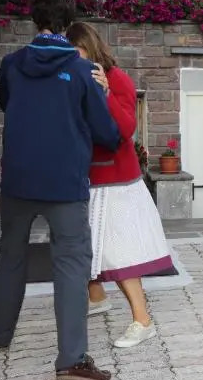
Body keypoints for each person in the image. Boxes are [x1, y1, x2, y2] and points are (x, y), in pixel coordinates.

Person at [0, 0, 121, 380]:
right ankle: (71, 360)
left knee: (11, 253)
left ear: (34, 19)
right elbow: (108, 133)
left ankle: (0, 334)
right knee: (71, 263)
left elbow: (6, 103)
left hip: (18, 178)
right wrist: (102, 94)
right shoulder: (82, 71)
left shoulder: (12, 64)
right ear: (68, 21)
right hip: (65, 181)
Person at [66, 22, 172, 349]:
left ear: (91, 48)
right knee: (87, 245)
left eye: (78, 52)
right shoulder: (72, 79)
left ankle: (143, 320)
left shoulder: (117, 79)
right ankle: (97, 297)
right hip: (88, 179)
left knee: (119, 253)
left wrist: (107, 94)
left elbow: (126, 129)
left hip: (116, 183)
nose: (74, 59)